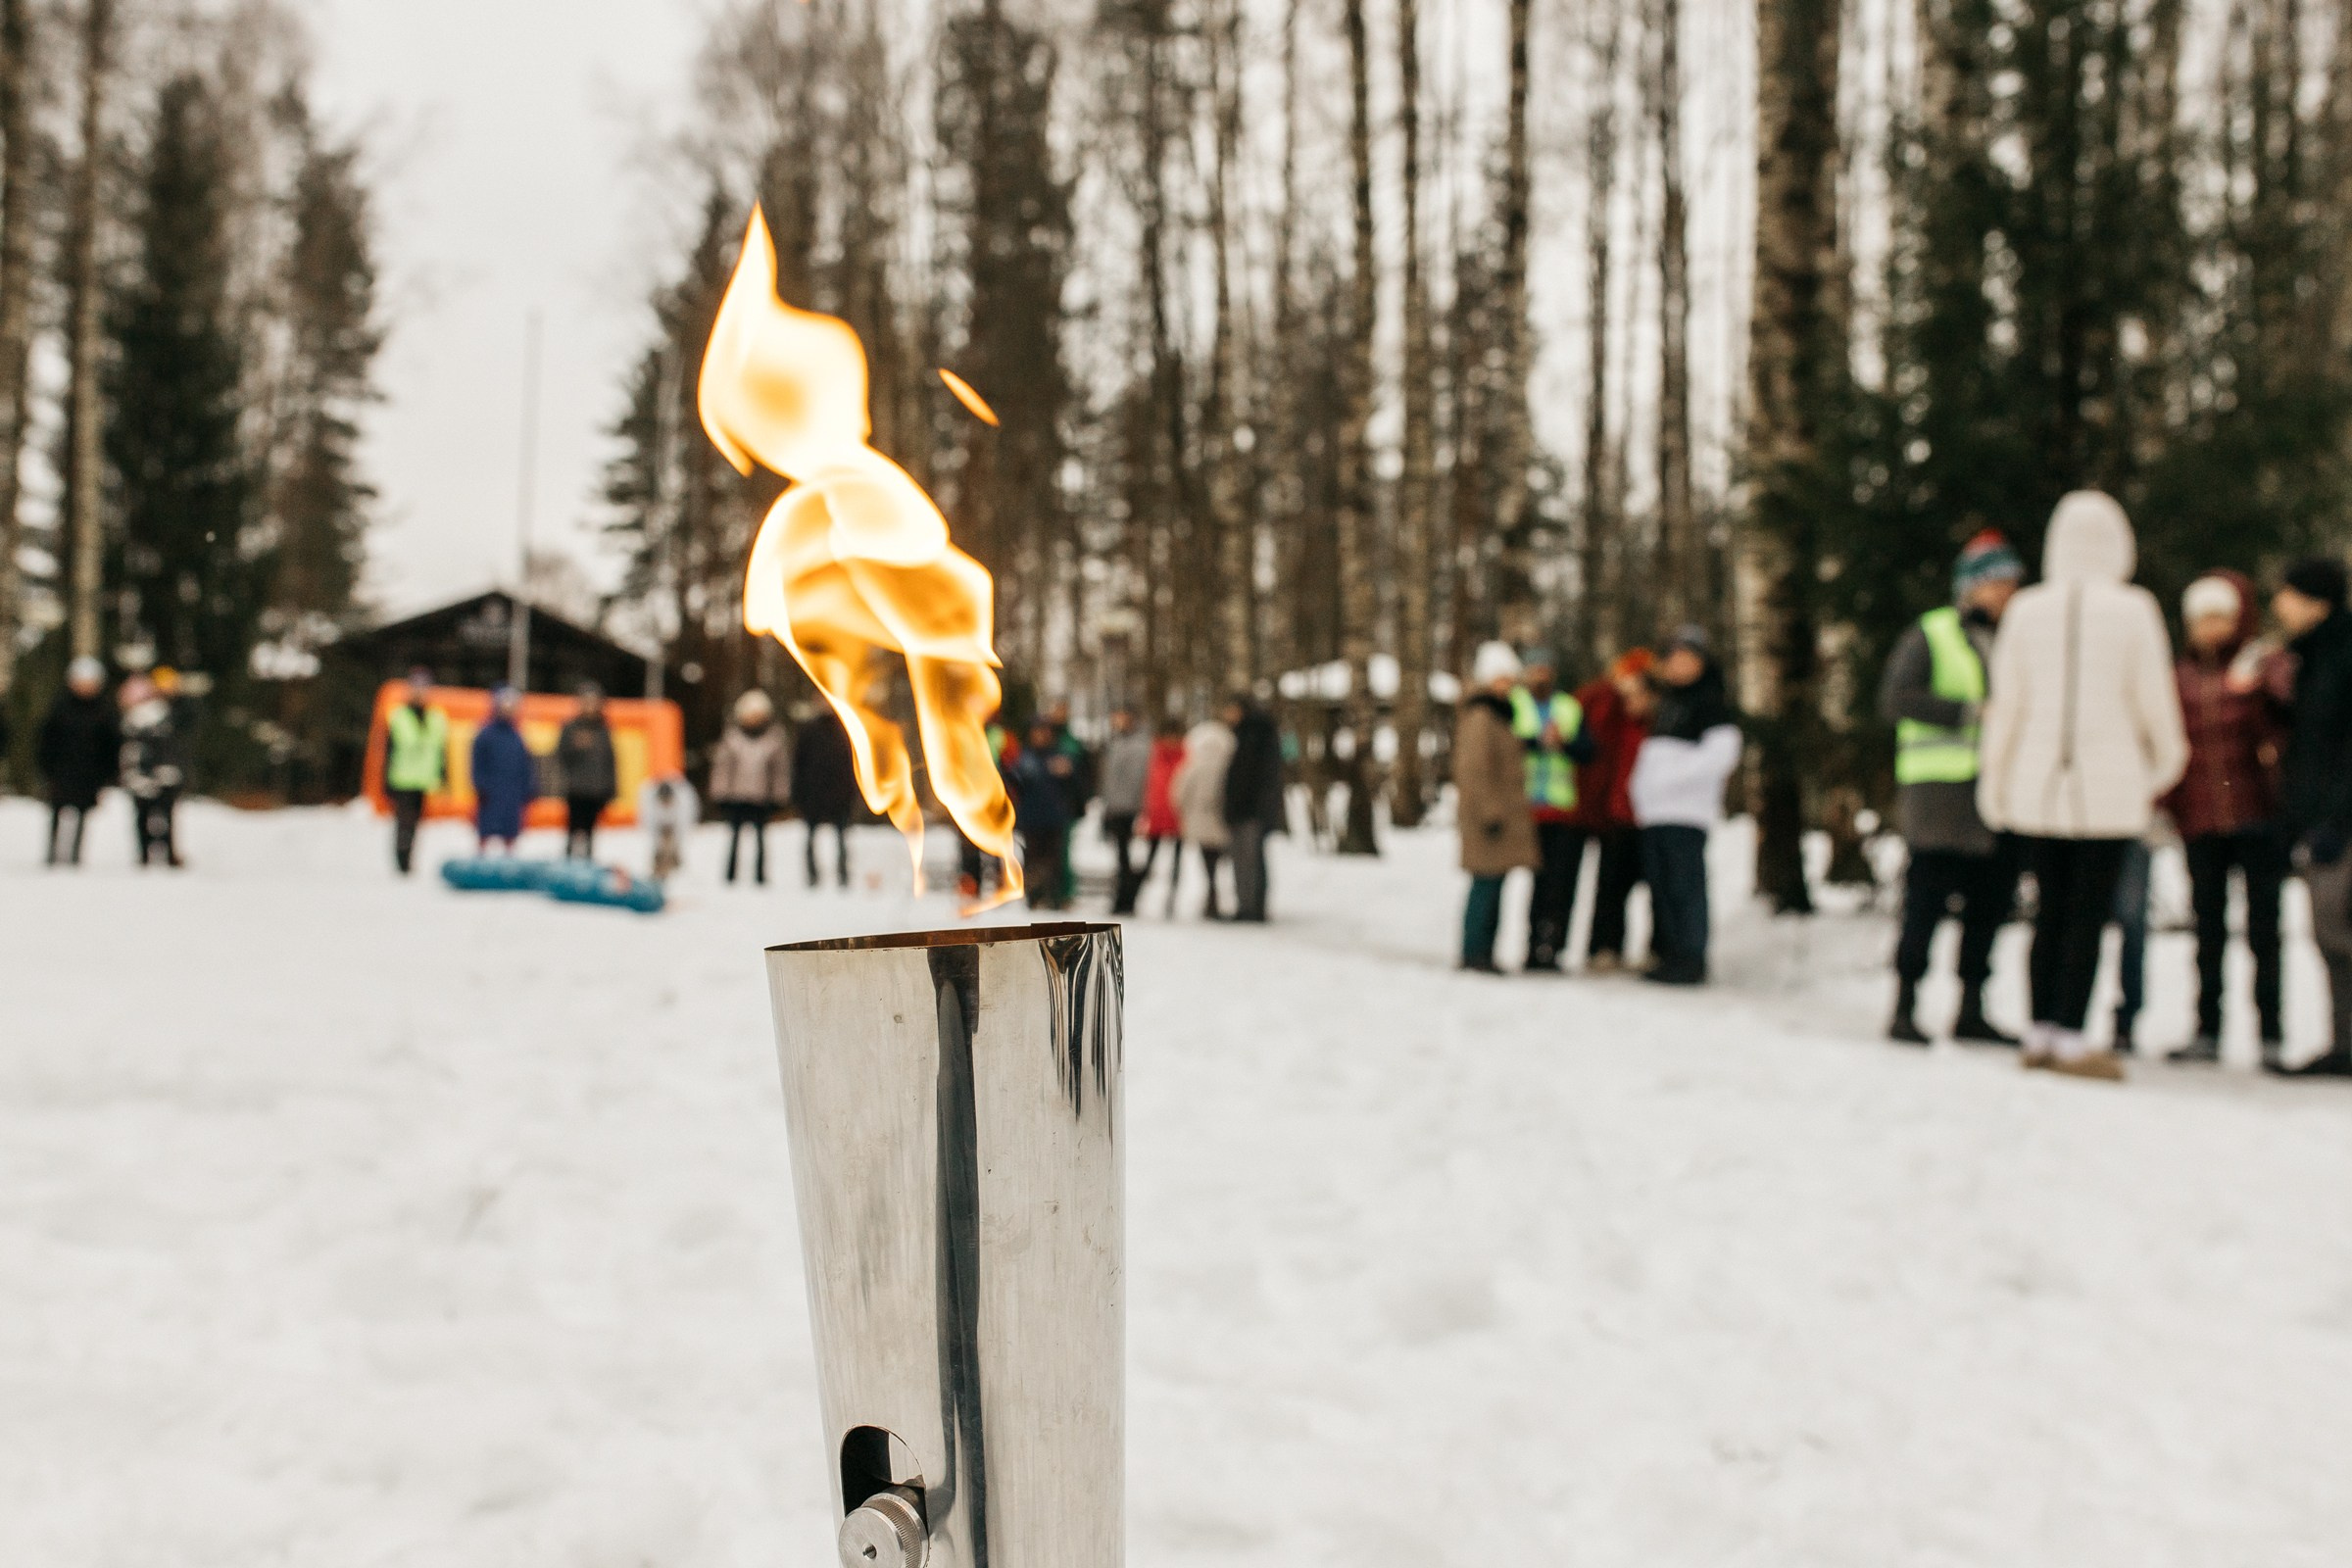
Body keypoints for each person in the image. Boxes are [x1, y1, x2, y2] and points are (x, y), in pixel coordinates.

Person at [1977, 491, 2187, 1080]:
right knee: (2087, 913)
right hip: (2110, 788)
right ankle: (2069, 1033)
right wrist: (2161, 768)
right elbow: (2155, 703)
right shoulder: (2134, 609)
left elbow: (2007, 704)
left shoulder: (2027, 610)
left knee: (2046, 910)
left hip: (2035, 788)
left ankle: (2038, 1029)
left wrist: (1997, 778)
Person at [1880, 529, 2027, 1045]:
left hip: (1998, 796)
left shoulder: (2020, 639)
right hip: (1939, 796)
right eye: (1997, 583)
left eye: (2012, 583)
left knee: (1989, 906)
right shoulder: (1933, 632)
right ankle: (1905, 1005)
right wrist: (1969, 714)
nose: (2006, 594)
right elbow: (1897, 698)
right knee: (1925, 904)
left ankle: (1972, 1009)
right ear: (1970, 587)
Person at [2156, 571, 2292, 1063]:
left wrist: (2258, 687)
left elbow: (2286, 724)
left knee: (2264, 930)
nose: (2210, 628)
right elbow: (2168, 745)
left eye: (2219, 617)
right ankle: (2207, 1028)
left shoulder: (2263, 665)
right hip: (2201, 819)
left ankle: (2272, 1032)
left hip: (2258, 816)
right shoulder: (2177, 677)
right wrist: (2165, 805)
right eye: (2202, 619)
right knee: (2207, 928)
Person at [2268, 556, 2352, 1077]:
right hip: (2323, 816)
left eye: (2286, 592)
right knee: (2330, 932)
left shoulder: (2342, 653)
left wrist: (2335, 822)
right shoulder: (2312, 655)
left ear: (2313, 599)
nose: (2278, 603)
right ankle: (2344, 1043)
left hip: (2341, 820)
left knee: (2339, 929)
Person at [1630, 626, 1743, 986]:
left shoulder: (1711, 702)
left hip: (1687, 812)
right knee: (1661, 887)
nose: (1678, 667)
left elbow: (1721, 755)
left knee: (1685, 886)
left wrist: (1669, 780)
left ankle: (1691, 958)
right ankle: (1669, 954)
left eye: (1686, 658)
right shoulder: (1666, 705)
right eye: (1673, 659)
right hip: (1656, 814)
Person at [1565, 650, 1655, 971]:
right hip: (1616, 814)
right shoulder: (1607, 707)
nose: (1630, 693)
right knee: (1611, 888)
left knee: (1656, 888)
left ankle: (1656, 948)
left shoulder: (1657, 722)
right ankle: (1604, 947)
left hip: (1651, 816)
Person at [1455, 642, 1541, 972]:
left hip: (1501, 816)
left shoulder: (1500, 713)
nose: (1506, 684)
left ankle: (1483, 951)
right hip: (1489, 819)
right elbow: (1475, 769)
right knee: (1485, 887)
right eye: (1500, 678)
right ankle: (1475, 952)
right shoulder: (1482, 715)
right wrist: (1490, 810)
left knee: (1494, 886)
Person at [1512, 652, 1593, 969]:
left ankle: (1552, 946)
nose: (1540, 676)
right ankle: (1531, 946)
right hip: (1523, 808)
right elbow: (1505, 743)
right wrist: (1536, 742)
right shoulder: (1514, 702)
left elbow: (1589, 751)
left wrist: (1564, 743)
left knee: (1558, 884)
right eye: (1534, 670)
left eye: (1544, 669)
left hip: (1560, 810)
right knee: (1530, 884)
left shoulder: (1569, 707)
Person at [37, 657, 116, 866]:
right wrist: (46, 767)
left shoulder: (104, 710)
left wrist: (107, 774)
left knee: (82, 813)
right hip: (61, 770)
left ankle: (75, 855)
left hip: (89, 772)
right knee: (57, 811)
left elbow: (111, 744)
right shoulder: (60, 706)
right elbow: (47, 739)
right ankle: (52, 854)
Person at [710, 689, 792, 885]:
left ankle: (760, 876)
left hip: (761, 797)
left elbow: (779, 771)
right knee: (735, 838)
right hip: (737, 796)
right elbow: (723, 768)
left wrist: (779, 795)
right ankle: (730, 875)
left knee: (761, 839)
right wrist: (721, 793)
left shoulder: (774, 740)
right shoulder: (732, 738)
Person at [1223, 694, 1289, 922]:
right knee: (1249, 859)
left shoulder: (1253, 736)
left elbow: (1251, 778)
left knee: (1249, 860)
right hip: (1249, 809)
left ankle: (1250, 908)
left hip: (1251, 810)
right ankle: (1249, 906)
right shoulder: (1247, 735)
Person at [1169, 709, 1236, 918]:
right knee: (1220, 861)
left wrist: (1186, 813)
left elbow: (1178, 793)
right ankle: (1215, 898)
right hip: (1222, 822)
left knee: (1207, 864)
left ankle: (1211, 896)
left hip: (1199, 823)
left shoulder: (1192, 765)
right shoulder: (1228, 766)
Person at [118, 673, 187, 868]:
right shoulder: (146, 719)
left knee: (151, 816)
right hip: (155, 774)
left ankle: (149, 854)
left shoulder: (151, 719)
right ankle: (163, 854)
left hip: (156, 774)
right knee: (158, 816)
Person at [384, 666, 449, 875]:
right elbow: (389, 751)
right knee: (404, 822)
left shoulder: (436, 717)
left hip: (423, 778)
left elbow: (439, 750)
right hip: (403, 778)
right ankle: (402, 860)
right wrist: (387, 780)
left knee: (416, 823)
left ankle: (409, 858)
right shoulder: (400, 716)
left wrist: (441, 773)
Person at [1008, 714, 1077, 910]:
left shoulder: (1060, 756)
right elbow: (1013, 783)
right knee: (1032, 860)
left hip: (1054, 818)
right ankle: (1034, 897)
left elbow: (1076, 787)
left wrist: (1068, 773)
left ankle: (1054, 897)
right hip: (1031, 819)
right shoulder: (1023, 757)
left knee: (1054, 862)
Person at [793, 703, 858, 888]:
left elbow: (852, 764)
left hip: (840, 793)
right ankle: (812, 876)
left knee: (841, 838)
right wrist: (799, 793)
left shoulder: (846, 729)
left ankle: (843, 875)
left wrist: (850, 791)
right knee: (811, 838)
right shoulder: (809, 731)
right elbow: (799, 764)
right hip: (814, 793)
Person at [470, 685, 536, 855]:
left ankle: (508, 861)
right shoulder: (485, 734)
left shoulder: (517, 736)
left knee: (510, 832)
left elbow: (525, 766)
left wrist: (529, 788)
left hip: (512, 794)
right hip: (491, 793)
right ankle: (481, 860)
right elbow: (477, 763)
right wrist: (480, 785)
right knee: (486, 830)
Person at [556, 683, 617, 860]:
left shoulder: (604, 729)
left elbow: (610, 760)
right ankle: (568, 862)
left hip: (597, 790)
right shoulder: (571, 727)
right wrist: (576, 747)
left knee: (591, 831)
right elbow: (561, 755)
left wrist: (610, 788)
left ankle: (587, 863)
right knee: (573, 829)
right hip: (576, 789)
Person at [1099, 707, 1152, 909]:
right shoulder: (1117, 743)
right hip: (1116, 807)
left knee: (1128, 857)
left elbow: (1139, 780)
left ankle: (1126, 898)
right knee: (1122, 857)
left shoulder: (1139, 746)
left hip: (1130, 809)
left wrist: (1140, 809)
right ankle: (1123, 898)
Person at [638, 771, 698, 883]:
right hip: (660, 827)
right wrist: (658, 845)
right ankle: (659, 870)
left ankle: (671, 867)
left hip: (673, 827)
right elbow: (650, 825)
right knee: (661, 850)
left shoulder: (682, 803)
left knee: (670, 848)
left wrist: (676, 845)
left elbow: (683, 825)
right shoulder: (651, 805)